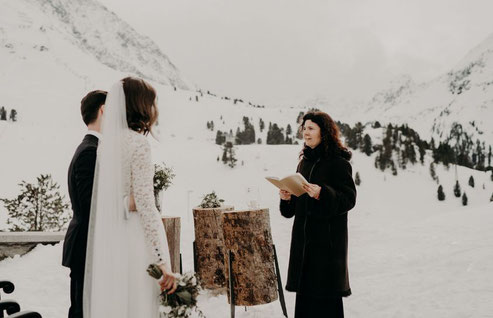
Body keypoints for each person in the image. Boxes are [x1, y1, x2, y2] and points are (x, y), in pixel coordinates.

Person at [83, 77, 176, 318]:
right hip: (137, 241)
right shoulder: (139, 145)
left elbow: (110, 198)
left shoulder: (106, 145)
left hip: (113, 239)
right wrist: (160, 259)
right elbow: (146, 204)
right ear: (142, 106)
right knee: (139, 305)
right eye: (152, 103)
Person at [279, 111, 357, 318]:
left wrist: (323, 193)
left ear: (325, 132)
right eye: (304, 128)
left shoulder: (339, 163)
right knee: (305, 306)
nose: (306, 132)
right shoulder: (303, 163)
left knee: (327, 305)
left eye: (311, 128)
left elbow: (349, 199)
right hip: (304, 246)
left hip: (327, 247)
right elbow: (292, 210)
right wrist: (287, 198)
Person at [62, 90, 107, 318]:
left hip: (89, 245)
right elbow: (92, 206)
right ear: (103, 110)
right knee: (82, 311)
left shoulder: (92, 148)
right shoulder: (90, 152)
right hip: (85, 247)